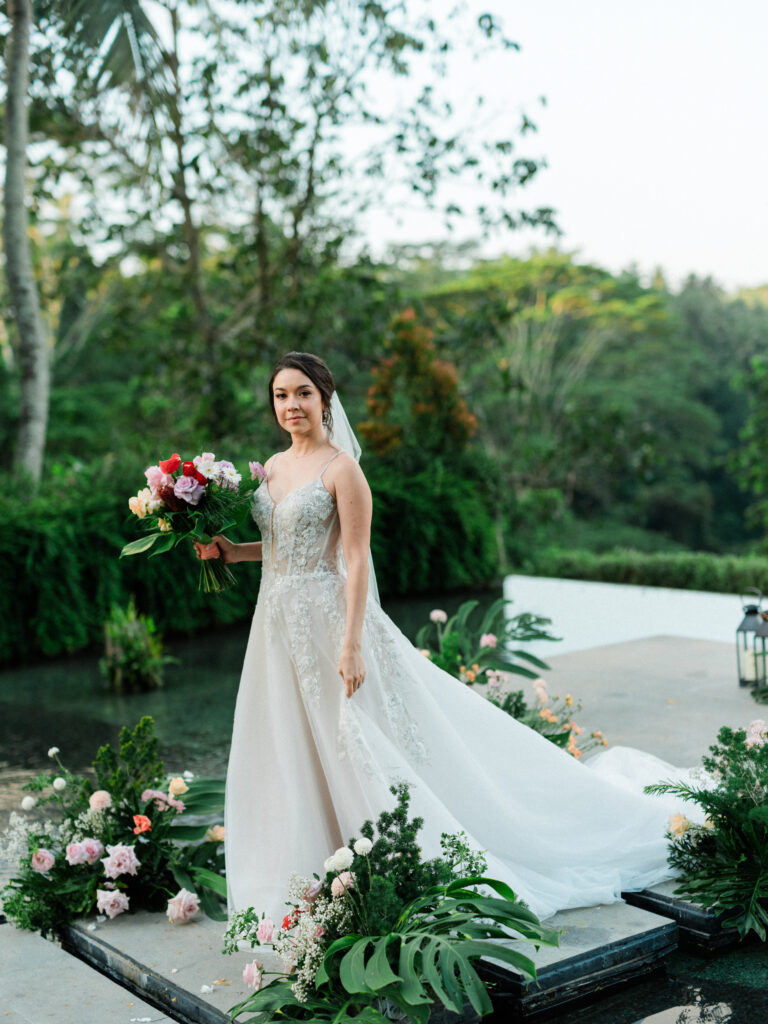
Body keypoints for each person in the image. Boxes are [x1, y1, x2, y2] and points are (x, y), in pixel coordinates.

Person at [195, 351, 688, 924]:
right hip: (276, 627)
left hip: (330, 624)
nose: (291, 405)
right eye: (281, 395)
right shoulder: (273, 469)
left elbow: (355, 559)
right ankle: (319, 872)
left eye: (303, 392)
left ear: (324, 398)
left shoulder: (342, 470)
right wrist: (232, 551)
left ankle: (385, 861)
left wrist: (351, 644)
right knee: (290, 742)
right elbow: (282, 546)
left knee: (354, 741)